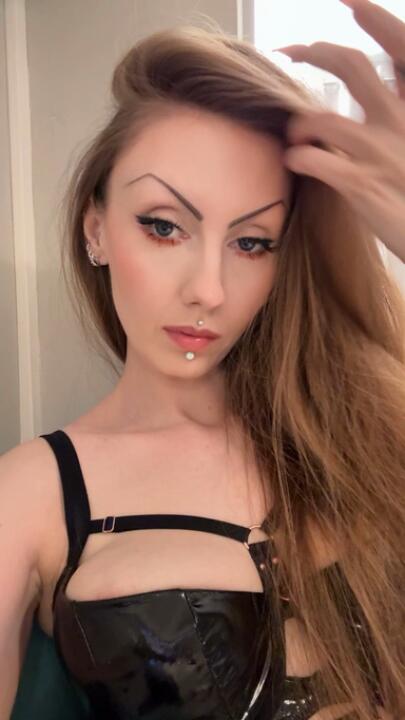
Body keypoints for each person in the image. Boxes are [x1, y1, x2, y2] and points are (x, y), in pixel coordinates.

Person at [2, 0, 405, 718]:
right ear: (96, 228)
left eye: (251, 243)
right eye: (164, 227)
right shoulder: (30, 493)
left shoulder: (371, 427)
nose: (209, 290)